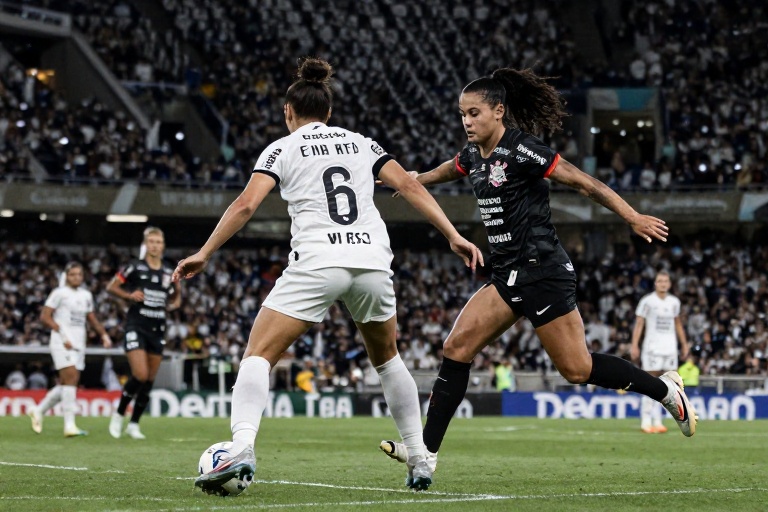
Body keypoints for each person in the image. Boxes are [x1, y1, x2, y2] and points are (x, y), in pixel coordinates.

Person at [172, 57, 482, 495]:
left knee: (258, 355)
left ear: (288, 113)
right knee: (388, 359)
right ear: (330, 112)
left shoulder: (281, 148)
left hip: (318, 261)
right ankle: (419, 458)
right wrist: (452, 235)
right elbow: (411, 186)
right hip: (372, 261)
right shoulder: (362, 143)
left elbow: (245, 205)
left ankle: (241, 447)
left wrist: (205, 251)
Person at [379, 67, 698, 481]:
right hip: (507, 275)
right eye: (462, 114)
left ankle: (666, 391)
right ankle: (426, 454)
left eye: (474, 113)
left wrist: (631, 215)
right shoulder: (472, 155)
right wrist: (409, 180)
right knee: (456, 348)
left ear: (498, 111)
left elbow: (584, 184)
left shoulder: (524, 150)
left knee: (577, 370)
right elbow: (442, 172)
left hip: (543, 271)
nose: (467, 122)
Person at [107, 227, 181, 439]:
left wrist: (174, 303)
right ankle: (119, 414)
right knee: (139, 374)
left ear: (163, 245)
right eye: (152, 242)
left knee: (149, 379)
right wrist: (129, 295)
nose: (155, 245)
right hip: (136, 326)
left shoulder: (169, 272)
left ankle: (134, 424)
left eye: (159, 242)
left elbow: (177, 296)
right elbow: (111, 287)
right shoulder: (134, 266)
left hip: (157, 328)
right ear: (146, 245)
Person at [28, 262, 112, 436]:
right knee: (71, 377)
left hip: (78, 343)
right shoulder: (59, 293)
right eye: (72, 274)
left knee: (69, 382)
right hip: (61, 341)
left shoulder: (86, 295)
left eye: (79, 274)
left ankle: (38, 410)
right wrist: (62, 334)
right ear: (66, 276)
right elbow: (45, 316)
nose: (76, 277)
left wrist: (104, 334)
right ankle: (69, 426)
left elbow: (92, 319)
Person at [631, 270, 689, 433]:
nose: (663, 283)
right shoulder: (647, 301)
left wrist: (684, 344)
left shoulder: (674, 302)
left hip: (670, 348)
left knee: (668, 385)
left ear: (669, 284)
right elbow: (639, 323)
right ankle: (646, 420)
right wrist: (634, 344)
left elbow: (678, 324)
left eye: (666, 281)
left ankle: (658, 421)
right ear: (655, 283)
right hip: (652, 348)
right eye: (660, 281)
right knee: (649, 383)